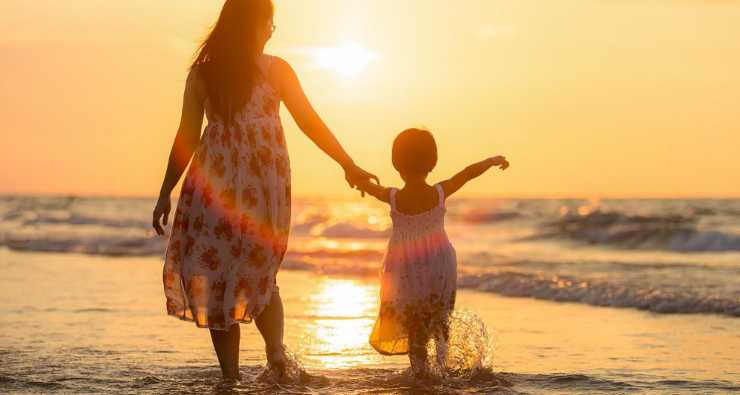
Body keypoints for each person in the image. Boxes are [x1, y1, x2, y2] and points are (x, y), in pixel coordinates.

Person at [151, 0, 377, 381]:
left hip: (217, 186)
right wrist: (347, 164)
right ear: (254, 26)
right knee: (257, 271)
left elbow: (187, 138)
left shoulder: (206, 74)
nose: (272, 30)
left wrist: (165, 192)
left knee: (220, 273)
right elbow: (309, 121)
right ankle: (274, 359)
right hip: (260, 185)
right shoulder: (272, 70)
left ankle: (233, 376)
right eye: (269, 23)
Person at [356, 128, 509, 377]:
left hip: (407, 270)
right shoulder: (439, 192)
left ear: (396, 163)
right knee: (440, 319)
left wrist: (357, 180)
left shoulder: (393, 196)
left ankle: (421, 373)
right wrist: (492, 161)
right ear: (433, 162)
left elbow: (370, 188)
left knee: (415, 324)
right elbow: (468, 173)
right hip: (440, 264)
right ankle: (441, 368)